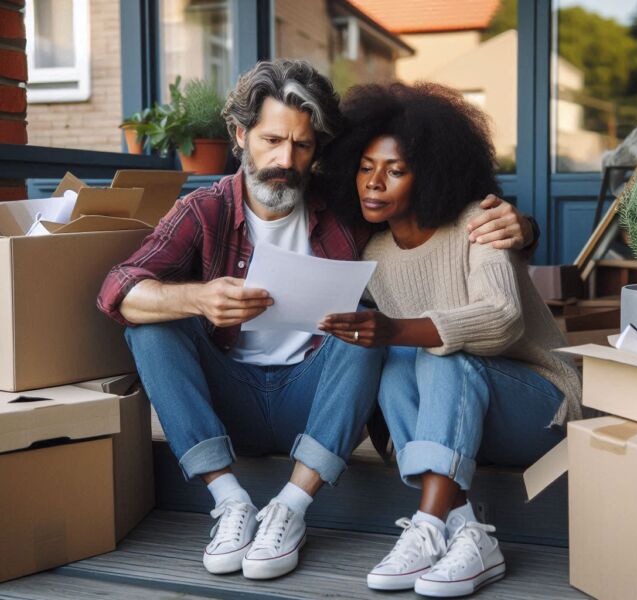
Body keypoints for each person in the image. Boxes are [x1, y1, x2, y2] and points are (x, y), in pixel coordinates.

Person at [97, 60, 536, 581]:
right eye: (272, 140)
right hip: (230, 398)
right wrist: (197, 299)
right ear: (239, 135)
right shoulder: (204, 210)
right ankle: (231, 502)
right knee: (151, 322)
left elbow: (432, 210)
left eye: (302, 146)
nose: (285, 160)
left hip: (316, 400)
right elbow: (117, 288)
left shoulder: (347, 207)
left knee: (368, 328)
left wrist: (522, 227)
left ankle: (290, 508)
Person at [318, 82, 582, 598]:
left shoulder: (477, 224)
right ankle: (468, 533)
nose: (373, 183)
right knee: (395, 362)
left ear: (432, 173)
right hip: (464, 417)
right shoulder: (373, 252)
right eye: (365, 166)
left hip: (543, 406)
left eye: (395, 170)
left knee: (440, 355)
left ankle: (428, 524)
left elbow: (502, 319)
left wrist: (396, 328)